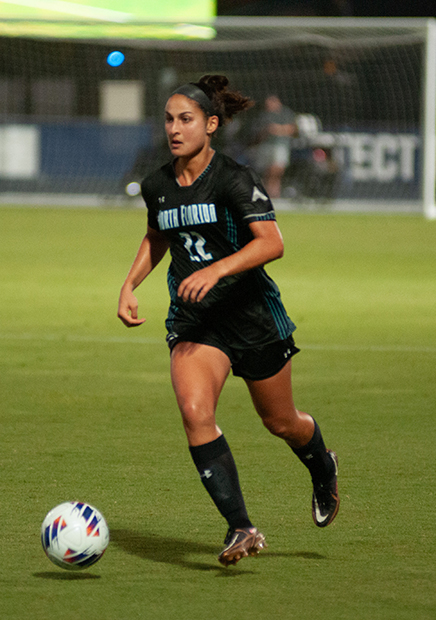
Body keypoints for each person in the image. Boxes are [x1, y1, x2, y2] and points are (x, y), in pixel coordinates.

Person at [117, 75, 339, 567]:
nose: (175, 129)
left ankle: (322, 465)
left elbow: (271, 243)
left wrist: (216, 269)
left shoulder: (235, 177)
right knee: (196, 413)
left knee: (280, 421)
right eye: (170, 120)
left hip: (252, 316)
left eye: (186, 120)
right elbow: (157, 236)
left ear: (211, 125)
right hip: (195, 321)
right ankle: (241, 526)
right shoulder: (157, 184)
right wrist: (130, 284)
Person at [251, 94, 297, 199]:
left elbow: (292, 129)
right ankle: (269, 193)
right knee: (267, 171)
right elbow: (259, 134)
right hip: (266, 146)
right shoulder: (264, 115)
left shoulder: (286, 114)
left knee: (277, 170)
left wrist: (277, 129)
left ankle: (274, 193)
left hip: (280, 145)